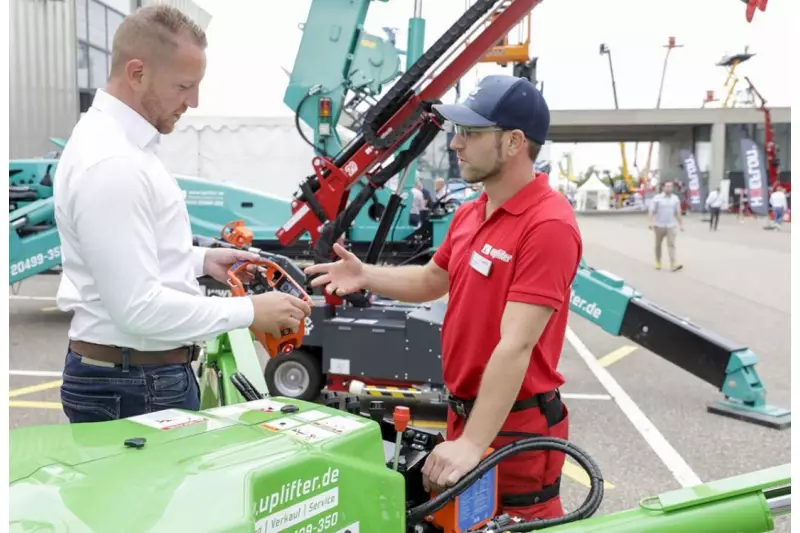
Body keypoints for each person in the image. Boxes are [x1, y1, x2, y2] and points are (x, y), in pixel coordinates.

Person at [305, 74, 582, 521]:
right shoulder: (474, 211)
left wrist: (473, 443)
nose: (456, 144)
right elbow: (435, 278)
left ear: (513, 142)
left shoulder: (547, 225)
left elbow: (517, 344)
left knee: (513, 523)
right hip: (467, 413)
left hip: (513, 427)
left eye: (470, 133)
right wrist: (364, 274)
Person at [52, 5, 311, 424]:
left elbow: (132, 251)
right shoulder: (113, 164)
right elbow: (137, 308)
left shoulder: (123, 148)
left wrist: (202, 260)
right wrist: (250, 312)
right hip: (135, 382)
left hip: (135, 375)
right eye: (184, 86)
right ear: (137, 74)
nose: (193, 101)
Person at [648, 180, 684, 271]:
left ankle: (673, 264)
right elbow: (652, 211)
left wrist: (681, 224)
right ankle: (658, 262)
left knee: (671, 244)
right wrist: (650, 222)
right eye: (667, 186)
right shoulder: (657, 198)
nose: (669, 188)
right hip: (659, 225)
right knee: (658, 245)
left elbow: (677, 212)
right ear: (663, 187)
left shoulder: (675, 199)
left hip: (671, 225)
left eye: (670, 186)